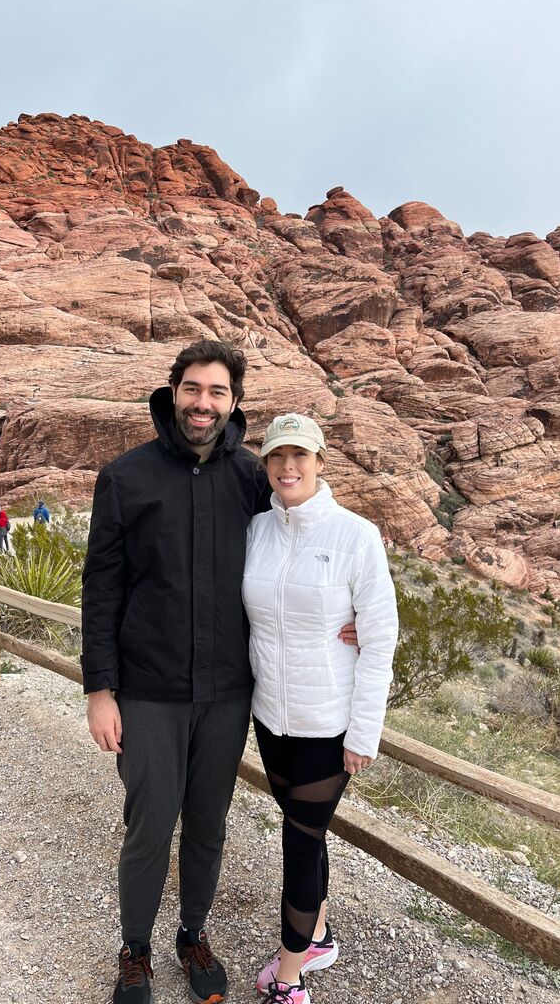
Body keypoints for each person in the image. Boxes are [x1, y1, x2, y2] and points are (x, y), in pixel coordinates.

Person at [81, 341, 356, 1004]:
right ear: (173, 391)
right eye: (193, 389)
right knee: (150, 822)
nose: (204, 404)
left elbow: (315, 534)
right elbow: (102, 588)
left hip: (230, 694)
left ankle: (192, 934)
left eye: (217, 392)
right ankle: (136, 948)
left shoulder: (250, 479)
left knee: (208, 820)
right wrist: (99, 688)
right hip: (148, 691)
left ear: (235, 402)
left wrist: (352, 615)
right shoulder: (126, 477)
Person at [243, 413, 398, 1004]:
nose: (288, 467)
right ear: (266, 465)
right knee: (304, 829)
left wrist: (364, 733)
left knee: (300, 842)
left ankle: (289, 978)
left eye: (300, 456)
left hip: (328, 727)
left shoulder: (356, 535)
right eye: (278, 456)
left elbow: (380, 634)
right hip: (271, 716)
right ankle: (321, 935)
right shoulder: (257, 530)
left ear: (320, 462)